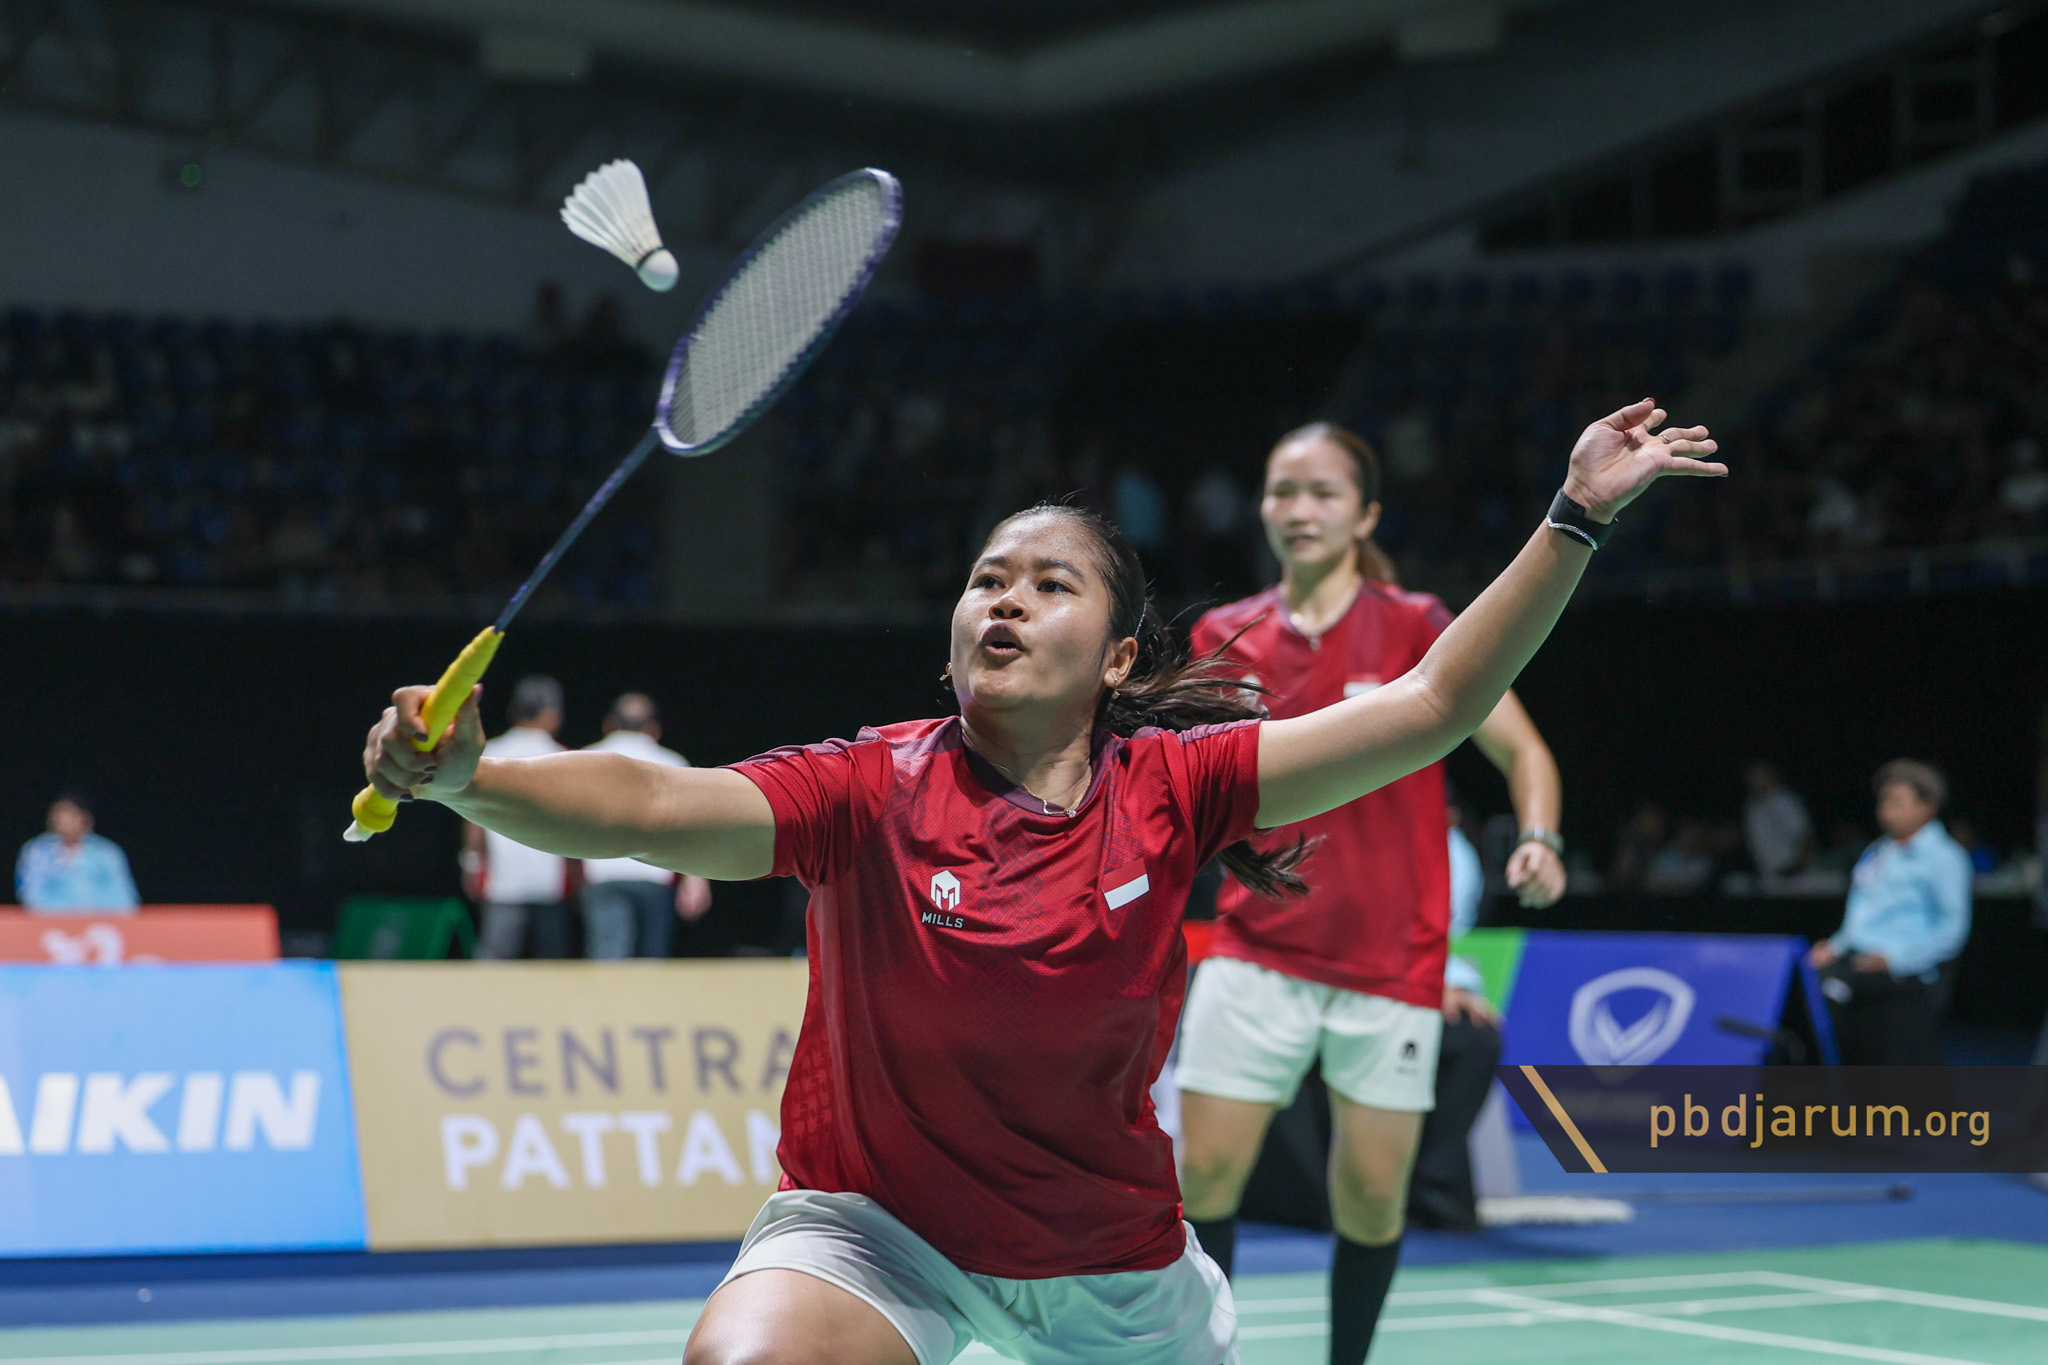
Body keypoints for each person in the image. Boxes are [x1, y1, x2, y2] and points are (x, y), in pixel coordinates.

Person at [360, 399, 1719, 1365]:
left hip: (1107, 1265)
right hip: (877, 1232)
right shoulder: (869, 786)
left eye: (1048, 583)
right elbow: (659, 804)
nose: (1002, 600)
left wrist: (1573, 519)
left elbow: (1429, 706)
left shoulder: (1178, 787)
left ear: (1119, 659)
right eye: (985, 580)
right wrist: (475, 780)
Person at [1175, 422, 1569, 1365]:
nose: (1299, 509)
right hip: (1257, 948)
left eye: (1323, 492)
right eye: (1283, 490)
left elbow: (1524, 750)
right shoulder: (1223, 637)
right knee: (1205, 1179)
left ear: (1366, 514)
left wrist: (1540, 837)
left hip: (1392, 963)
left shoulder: (1417, 624)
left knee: (1371, 1200)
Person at [1807, 760, 1972, 1066]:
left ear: (1927, 806)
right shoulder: (1878, 851)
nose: (1886, 811)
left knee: (1829, 992)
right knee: (1807, 988)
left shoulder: (1945, 857)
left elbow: (1952, 929)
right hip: (1859, 963)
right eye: (1883, 801)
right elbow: (1861, 917)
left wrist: (1895, 958)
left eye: (1897, 802)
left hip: (1908, 974)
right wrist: (1834, 947)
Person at [1405, 787, 1502, 1232]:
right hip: (1339, 978)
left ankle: (1432, 1189)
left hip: (1413, 983)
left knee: (1474, 1037)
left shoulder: (1452, 848)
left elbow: (1444, 928)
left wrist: (1445, 983)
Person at [581, 692, 713, 958]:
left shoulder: (584, 760)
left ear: (609, 724)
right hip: (654, 874)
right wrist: (695, 879)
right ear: (654, 729)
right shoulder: (673, 763)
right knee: (652, 960)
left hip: (603, 873)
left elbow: (570, 820)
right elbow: (691, 827)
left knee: (608, 958)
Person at [464, 675, 574, 960]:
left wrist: (471, 863)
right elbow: (575, 822)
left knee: (494, 964)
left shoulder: (491, 753)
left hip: (504, 883)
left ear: (514, 711)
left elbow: (473, 815)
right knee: (552, 966)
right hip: (549, 883)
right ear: (552, 714)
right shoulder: (562, 758)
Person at [15, 792, 139, 912]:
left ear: (86, 818)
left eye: (70, 816)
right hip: (52, 922)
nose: (64, 822)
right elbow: (31, 895)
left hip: (100, 921)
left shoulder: (107, 852)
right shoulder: (36, 852)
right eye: (58, 817)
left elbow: (124, 896)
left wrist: (92, 915)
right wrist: (66, 916)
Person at [1743, 761, 1811, 880]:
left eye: (1760, 775)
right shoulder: (1751, 807)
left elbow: (1804, 834)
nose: (1756, 780)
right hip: (1766, 871)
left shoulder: (1785, 801)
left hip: (1792, 870)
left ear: (1771, 776)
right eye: (1753, 777)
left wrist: (1799, 866)